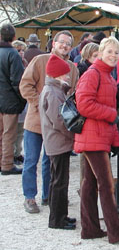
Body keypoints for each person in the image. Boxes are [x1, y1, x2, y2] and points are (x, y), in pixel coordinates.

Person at [74, 36, 119, 243]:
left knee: (90, 183)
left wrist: (115, 138)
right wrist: (111, 116)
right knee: (106, 184)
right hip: (93, 137)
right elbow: (84, 105)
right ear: (100, 53)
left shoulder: (108, 76)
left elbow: (109, 113)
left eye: (117, 53)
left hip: (100, 136)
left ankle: (90, 229)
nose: (113, 55)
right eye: (109, 51)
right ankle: (115, 230)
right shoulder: (93, 74)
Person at [19, 30, 78, 214]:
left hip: (57, 124)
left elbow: (73, 93)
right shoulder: (40, 61)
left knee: (50, 161)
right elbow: (25, 85)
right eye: (62, 42)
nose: (64, 46)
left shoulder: (72, 68)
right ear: (54, 43)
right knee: (31, 160)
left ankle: (49, 195)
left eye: (68, 43)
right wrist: (40, 104)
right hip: (36, 121)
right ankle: (30, 197)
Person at [39, 55, 76, 230]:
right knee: (60, 182)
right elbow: (60, 120)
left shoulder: (53, 90)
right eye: (65, 74)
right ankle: (57, 220)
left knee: (58, 180)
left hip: (55, 142)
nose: (68, 77)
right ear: (57, 75)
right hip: (58, 142)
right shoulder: (53, 93)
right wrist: (73, 135)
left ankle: (60, 216)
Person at [0, 24, 26, 175]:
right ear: (14, 37)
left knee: (2, 133)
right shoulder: (13, 54)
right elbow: (17, 80)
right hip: (10, 100)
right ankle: (7, 164)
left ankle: (2, 162)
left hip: (3, 99)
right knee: (9, 134)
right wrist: (22, 99)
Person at [11, 40, 28, 165]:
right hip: (13, 102)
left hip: (23, 102)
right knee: (12, 131)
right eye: (18, 50)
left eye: (23, 50)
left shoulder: (25, 63)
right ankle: (12, 154)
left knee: (21, 131)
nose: (21, 53)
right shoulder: (12, 63)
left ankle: (18, 153)